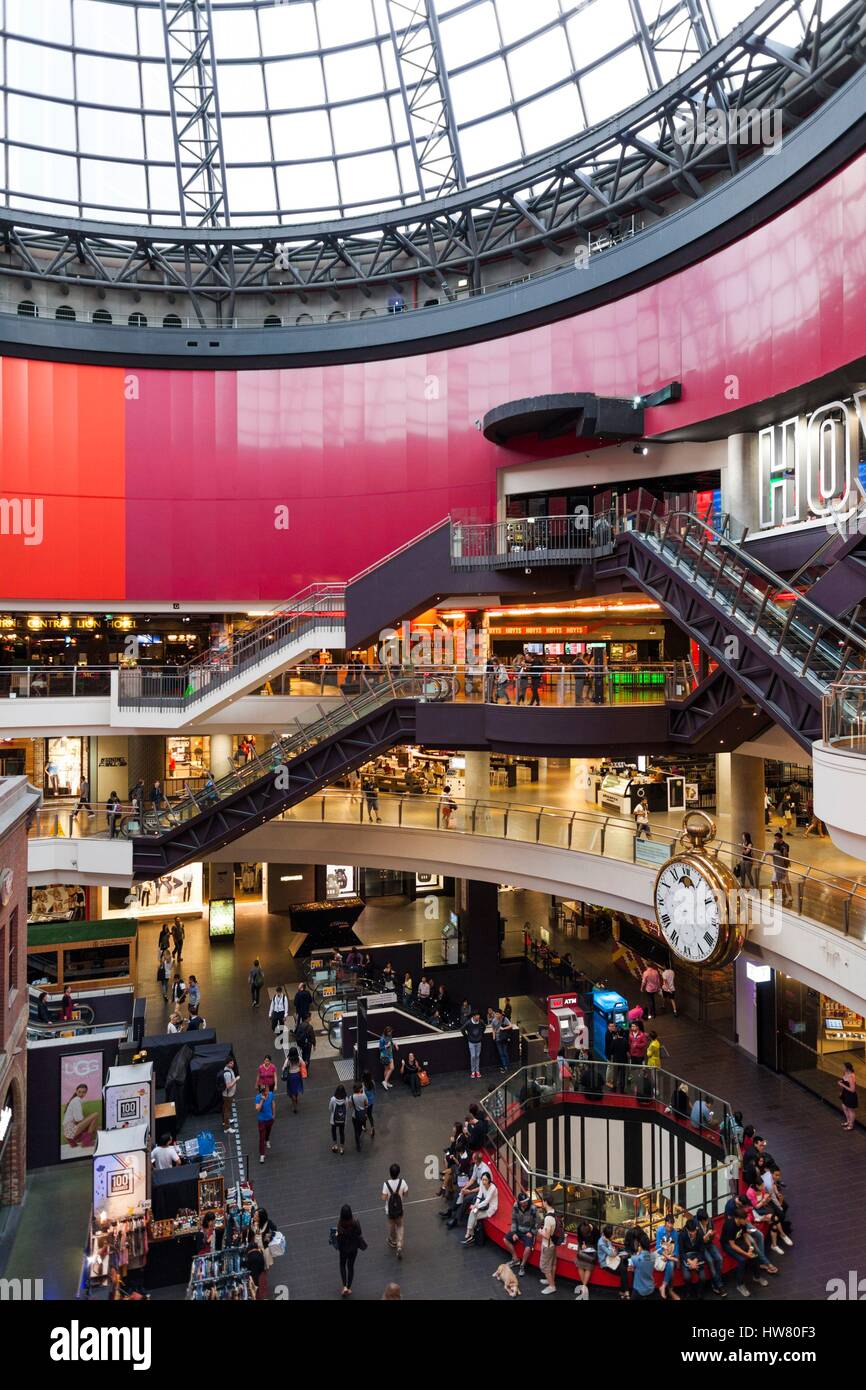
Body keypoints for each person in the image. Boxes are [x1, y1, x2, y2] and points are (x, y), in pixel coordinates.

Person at [504, 1192, 538, 1276]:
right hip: (518, 1229)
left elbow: (537, 1222)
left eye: (526, 1201)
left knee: (528, 1248)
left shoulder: (533, 1208)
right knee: (505, 1239)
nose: (525, 1204)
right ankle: (515, 1259)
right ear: (519, 1202)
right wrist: (514, 1232)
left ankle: (522, 1265)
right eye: (523, 1202)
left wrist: (532, 1232)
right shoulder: (515, 1206)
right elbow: (514, 1220)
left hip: (528, 1231)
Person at [335, 1204, 366, 1296]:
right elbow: (359, 1232)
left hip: (343, 1249)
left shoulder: (340, 1224)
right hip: (353, 1249)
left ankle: (344, 1286)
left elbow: (338, 1237)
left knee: (342, 1265)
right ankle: (348, 1287)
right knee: (351, 1267)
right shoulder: (355, 1222)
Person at [463, 1171, 498, 1245]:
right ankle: (470, 1233)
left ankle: (470, 1234)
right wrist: (476, 1204)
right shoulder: (482, 1184)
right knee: (473, 1212)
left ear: (489, 1180)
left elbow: (486, 1201)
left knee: (474, 1216)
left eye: (485, 1180)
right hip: (483, 1206)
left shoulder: (493, 1188)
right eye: (482, 1179)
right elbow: (479, 1195)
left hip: (490, 1208)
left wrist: (476, 1206)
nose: (483, 1181)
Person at [695, 1209, 725, 1295]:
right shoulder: (696, 1226)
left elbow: (713, 1231)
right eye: (705, 1221)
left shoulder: (710, 1221)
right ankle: (719, 1285)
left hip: (709, 1243)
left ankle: (715, 1282)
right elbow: (697, 1242)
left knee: (719, 1259)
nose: (707, 1222)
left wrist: (712, 1234)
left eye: (707, 1219)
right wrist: (707, 1235)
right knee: (710, 1261)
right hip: (701, 1247)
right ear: (700, 1221)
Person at [382, 1163, 408, 1259]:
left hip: (390, 1210)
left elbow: (384, 1197)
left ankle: (393, 1241)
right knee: (400, 1225)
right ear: (398, 1173)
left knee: (392, 1226)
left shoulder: (386, 1184)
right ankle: (399, 1245)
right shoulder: (403, 1182)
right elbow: (406, 1194)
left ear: (390, 1173)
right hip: (399, 1209)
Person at [62, 1083, 99, 1149]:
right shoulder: (76, 1100)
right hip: (70, 1131)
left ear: (86, 1092)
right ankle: (86, 1141)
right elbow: (78, 1119)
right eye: (79, 1092)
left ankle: (84, 1140)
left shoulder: (75, 1100)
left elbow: (78, 1120)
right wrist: (93, 1127)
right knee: (95, 1114)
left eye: (84, 1092)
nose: (81, 1094)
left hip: (68, 1131)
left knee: (92, 1120)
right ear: (76, 1091)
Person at [597, 1223, 629, 1298]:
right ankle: (625, 1291)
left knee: (623, 1269)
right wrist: (616, 1251)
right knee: (624, 1270)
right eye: (613, 1234)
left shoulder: (605, 1238)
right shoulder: (602, 1243)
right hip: (605, 1263)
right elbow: (612, 1254)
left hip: (611, 1260)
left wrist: (614, 1251)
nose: (614, 1235)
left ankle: (623, 1292)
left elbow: (612, 1251)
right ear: (609, 1235)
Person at [654, 1215, 681, 1300]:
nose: (670, 1228)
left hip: (670, 1254)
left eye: (671, 1226)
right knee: (671, 1264)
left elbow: (676, 1248)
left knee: (671, 1265)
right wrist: (666, 1256)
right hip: (661, 1254)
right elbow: (658, 1247)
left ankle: (664, 1286)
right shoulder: (660, 1230)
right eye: (668, 1225)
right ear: (665, 1223)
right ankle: (670, 1290)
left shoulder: (675, 1233)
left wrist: (671, 1256)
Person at [538, 1195, 559, 1294]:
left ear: (545, 1202)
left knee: (544, 1266)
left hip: (547, 1245)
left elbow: (546, 1236)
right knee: (553, 1263)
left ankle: (552, 1286)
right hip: (553, 1244)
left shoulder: (548, 1218)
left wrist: (540, 1231)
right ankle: (551, 1280)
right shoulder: (554, 1213)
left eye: (543, 1201)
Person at [771, 829, 792, 908]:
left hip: (783, 867)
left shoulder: (785, 846)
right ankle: (777, 895)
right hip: (777, 867)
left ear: (781, 838)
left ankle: (789, 895)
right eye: (775, 839)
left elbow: (784, 856)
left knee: (786, 882)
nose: (775, 840)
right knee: (774, 881)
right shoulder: (775, 845)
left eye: (776, 839)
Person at [255, 1082, 275, 1164]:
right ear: (262, 1092)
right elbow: (258, 1109)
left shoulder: (271, 1094)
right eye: (265, 1091)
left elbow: (273, 1104)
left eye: (267, 1090)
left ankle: (267, 1139)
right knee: (261, 1137)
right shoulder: (258, 1098)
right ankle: (262, 1155)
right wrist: (262, 1100)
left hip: (270, 1119)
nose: (267, 1092)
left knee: (268, 1132)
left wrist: (274, 1114)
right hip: (262, 1120)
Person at [463, 1009, 485, 1079]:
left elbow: (484, 1027)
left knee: (477, 1056)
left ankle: (477, 1071)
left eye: (479, 1015)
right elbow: (462, 1029)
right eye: (477, 1016)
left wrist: (481, 1035)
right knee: (473, 1056)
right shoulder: (469, 1022)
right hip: (471, 1042)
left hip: (478, 1042)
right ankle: (473, 1071)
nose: (478, 1017)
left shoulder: (481, 1022)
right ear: (473, 1016)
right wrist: (467, 1037)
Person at [282, 1046, 305, 1114]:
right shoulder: (299, 1058)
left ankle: (294, 1106)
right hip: (298, 1075)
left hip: (291, 1076)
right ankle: (296, 1098)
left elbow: (283, 1068)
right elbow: (303, 1064)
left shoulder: (288, 1060)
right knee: (296, 1089)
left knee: (291, 1090)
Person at [839, 1060, 858, 1130]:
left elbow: (852, 1090)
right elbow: (844, 1082)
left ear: (847, 1068)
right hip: (845, 1094)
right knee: (844, 1107)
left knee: (850, 1110)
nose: (842, 1068)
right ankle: (848, 1121)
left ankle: (851, 1125)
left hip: (850, 1095)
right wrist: (841, 1083)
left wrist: (842, 1085)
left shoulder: (851, 1076)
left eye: (843, 1067)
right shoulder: (845, 1073)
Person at [350, 1081, 369, 1148]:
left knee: (356, 1130)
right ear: (360, 1089)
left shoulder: (352, 1097)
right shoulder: (364, 1096)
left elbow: (350, 1106)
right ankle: (359, 1136)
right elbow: (366, 1105)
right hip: (362, 1115)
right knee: (360, 1128)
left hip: (355, 1116)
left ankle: (357, 1143)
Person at [221, 1057, 239, 1131]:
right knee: (227, 1111)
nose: (232, 1064)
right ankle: (227, 1128)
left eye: (233, 1062)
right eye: (231, 1063)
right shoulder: (227, 1074)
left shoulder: (228, 1069)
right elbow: (228, 1086)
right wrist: (236, 1079)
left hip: (228, 1094)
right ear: (227, 1064)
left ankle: (225, 1122)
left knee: (225, 1108)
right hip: (228, 1095)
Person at [330, 1085, 348, 1154]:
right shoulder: (345, 1099)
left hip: (333, 1119)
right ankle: (342, 1149)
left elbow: (330, 1108)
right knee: (342, 1133)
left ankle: (335, 1146)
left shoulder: (333, 1099)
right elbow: (346, 1108)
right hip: (342, 1120)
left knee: (334, 1131)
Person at [362, 1070, 377, 1138]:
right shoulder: (372, 1082)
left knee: (365, 1114)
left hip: (366, 1102)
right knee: (370, 1115)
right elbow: (374, 1091)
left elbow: (363, 1095)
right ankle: (372, 1127)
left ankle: (364, 1127)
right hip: (371, 1101)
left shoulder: (363, 1085)